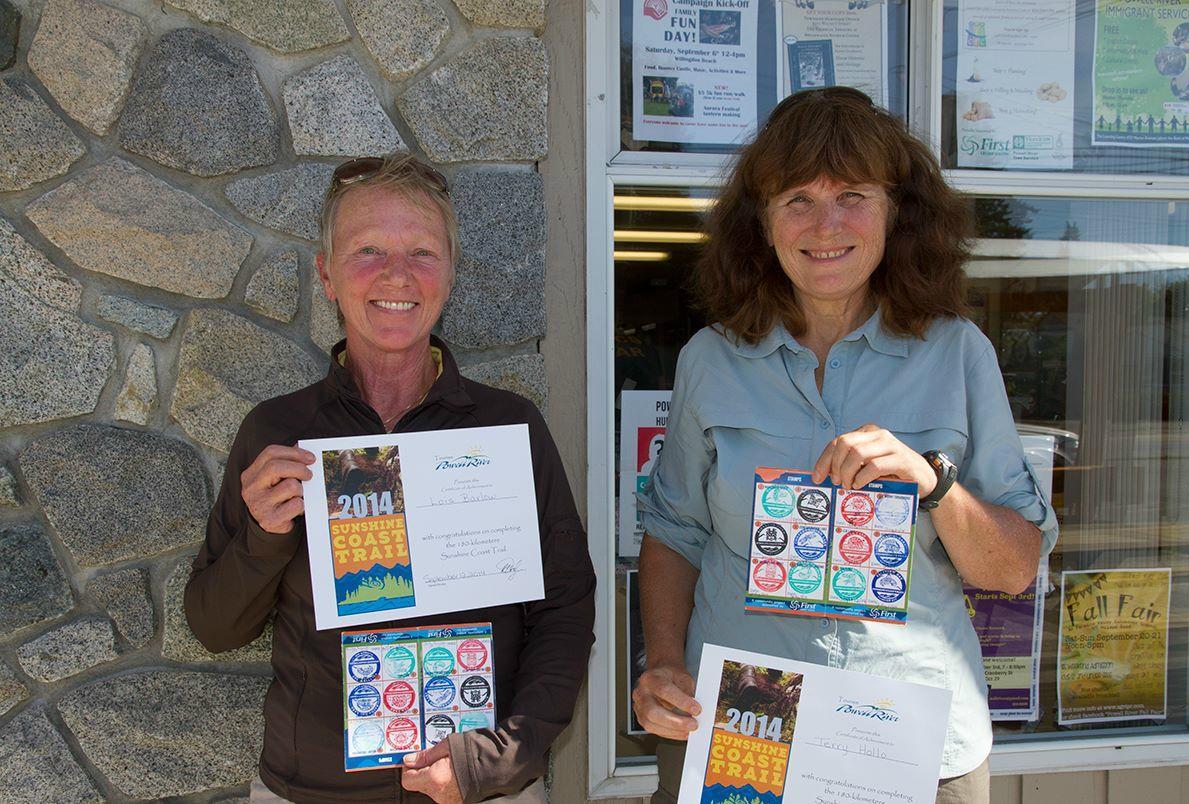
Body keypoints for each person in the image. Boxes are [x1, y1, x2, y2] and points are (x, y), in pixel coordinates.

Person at [632, 87, 1058, 803]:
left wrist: (934, 483)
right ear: (762, 222)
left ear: (897, 212)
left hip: (904, 734)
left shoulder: (957, 354)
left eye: (853, 195)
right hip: (745, 722)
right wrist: (666, 662)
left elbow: (1013, 570)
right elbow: (674, 531)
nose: (826, 224)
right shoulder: (711, 359)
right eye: (797, 198)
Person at [185, 153, 595, 804]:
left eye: (422, 252)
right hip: (310, 792)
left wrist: (497, 760)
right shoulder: (279, 434)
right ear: (327, 274)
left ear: (450, 274)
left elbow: (564, 610)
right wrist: (264, 536)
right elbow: (215, 627)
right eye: (368, 250)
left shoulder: (508, 427)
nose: (397, 274)